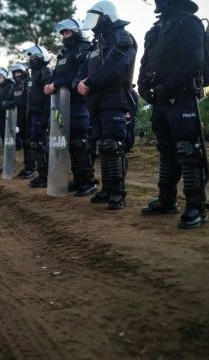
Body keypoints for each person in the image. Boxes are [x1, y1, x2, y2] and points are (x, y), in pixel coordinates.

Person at [137, 0, 208, 228]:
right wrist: (142, 87)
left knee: (188, 151)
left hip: (182, 97)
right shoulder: (157, 28)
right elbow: (145, 61)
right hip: (159, 100)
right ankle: (167, 200)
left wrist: (168, 89)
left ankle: (196, 207)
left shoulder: (190, 23)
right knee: (166, 150)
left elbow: (194, 60)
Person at [76, 0, 137, 210]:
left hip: (115, 98)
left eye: (96, 18)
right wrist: (78, 84)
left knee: (113, 145)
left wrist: (88, 82)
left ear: (107, 16)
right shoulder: (97, 43)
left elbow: (114, 68)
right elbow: (82, 70)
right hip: (96, 101)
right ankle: (107, 189)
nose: (93, 24)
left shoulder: (122, 38)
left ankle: (118, 193)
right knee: (102, 145)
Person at [45, 19, 96, 197]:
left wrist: (56, 83)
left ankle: (88, 182)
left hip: (78, 104)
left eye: (68, 33)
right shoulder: (62, 54)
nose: (65, 36)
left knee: (79, 142)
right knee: (70, 145)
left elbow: (79, 75)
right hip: (61, 105)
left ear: (76, 33)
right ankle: (79, 179)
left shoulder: (84, 49)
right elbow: (55, 75)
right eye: (63, 33)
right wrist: (49, 84)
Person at [24, 45, 53, 188]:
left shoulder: (45, 72)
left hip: (41, 114)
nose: (31, 60)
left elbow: (48, 96)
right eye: (30, 58)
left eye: (34, 58)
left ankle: (46, 176)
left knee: (41, 144)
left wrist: (45, 116)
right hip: (32, 114)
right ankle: (41, 175)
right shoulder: (33, 74)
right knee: (35, 144)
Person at [8, 63, 35, 179]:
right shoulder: (14, 86)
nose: (16, 75)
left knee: (30, 142)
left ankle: (31, 169)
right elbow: (10, 99)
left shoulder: (28, 82)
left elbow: (30, 98)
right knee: (24, 142)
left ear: (23, 72)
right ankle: (27, 167)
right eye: (15, 73)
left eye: (18, 72)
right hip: (18, 117)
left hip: (29, 115)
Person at [0, 68, 14, 143]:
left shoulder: (9, 86)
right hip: (1, 115)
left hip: (8, 115)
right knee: (3, 134)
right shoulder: (0, 88)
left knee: (9, 135)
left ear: (5, 76)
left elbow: (5, 101)